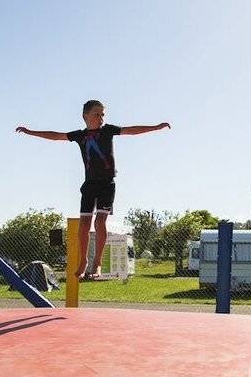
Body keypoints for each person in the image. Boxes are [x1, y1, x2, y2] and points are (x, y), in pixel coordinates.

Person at [16, 100, 170, 278]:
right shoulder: (79, 135)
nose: (101, 118)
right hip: (89, 184)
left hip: (107, 184)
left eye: (103, 114)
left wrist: (156, 127)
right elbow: (55, 135)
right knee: (84, 225)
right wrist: (30, 132)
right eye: (97, 114)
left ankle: (96, 262)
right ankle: (84, 261)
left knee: (99, 222)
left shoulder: (108, 131)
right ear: (85, 116)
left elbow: (131, 130)